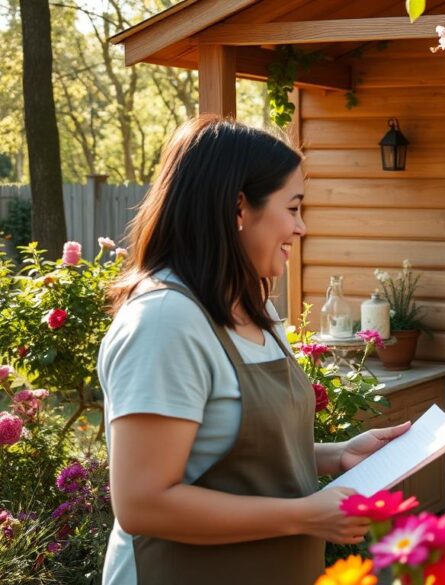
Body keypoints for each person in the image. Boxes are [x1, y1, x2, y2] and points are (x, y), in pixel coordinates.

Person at [98, 115, 410, 585]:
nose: (301, 228)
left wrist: (337, 454)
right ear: (238, 207)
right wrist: (305, 515)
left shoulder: (254, 305)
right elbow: (144, 503)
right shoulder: (165, 322)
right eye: (294, 207)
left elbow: (235, 453)